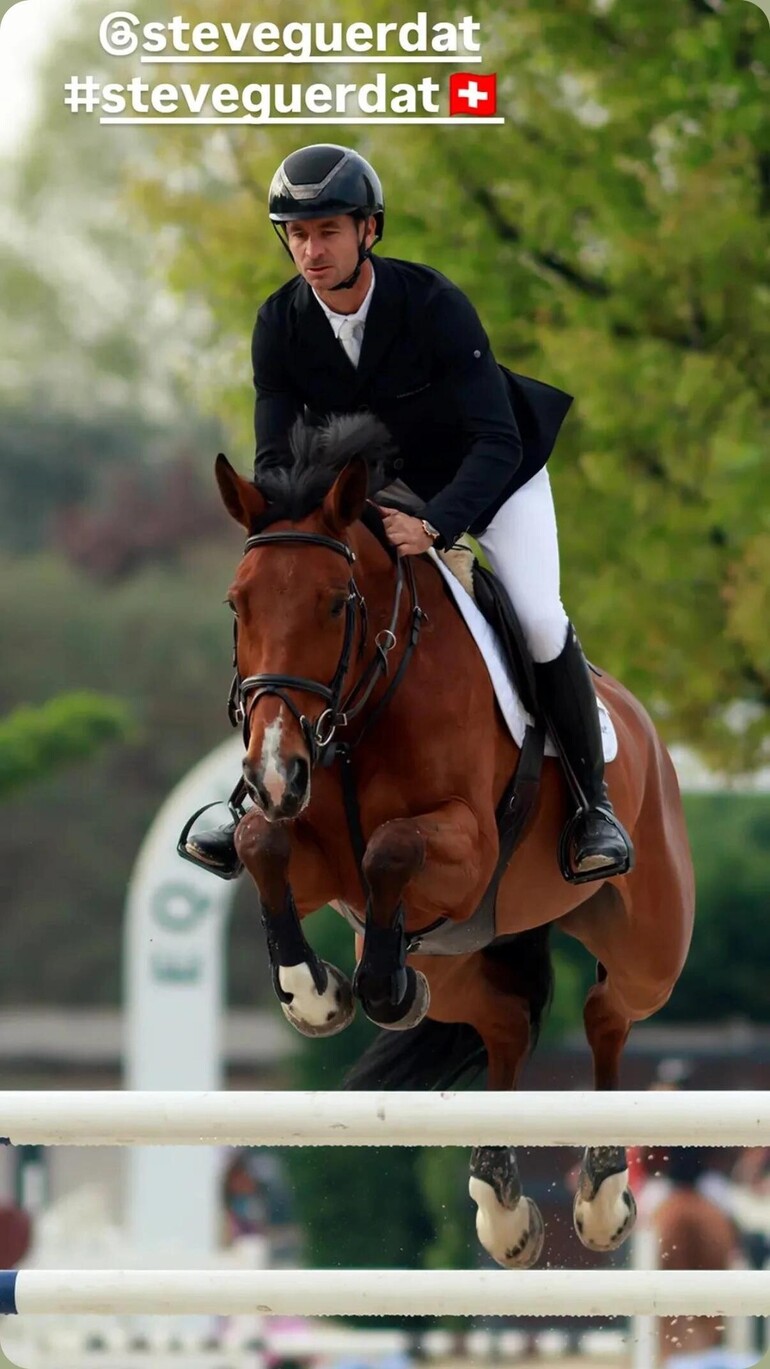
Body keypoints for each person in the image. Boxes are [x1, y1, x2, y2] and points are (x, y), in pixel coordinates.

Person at [182, 143, 633, 884]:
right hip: (379, 490)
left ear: (369, 231)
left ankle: (593, 804)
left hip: (491, 475)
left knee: (539, 614)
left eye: (327, 230)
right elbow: (275, 462)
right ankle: (249, 795)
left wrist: (437, 525)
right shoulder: (279, 324)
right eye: (296, 234)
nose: (310, 249)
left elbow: (497, 437)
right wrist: (287, 531)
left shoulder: (432, 305)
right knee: (294, 606)